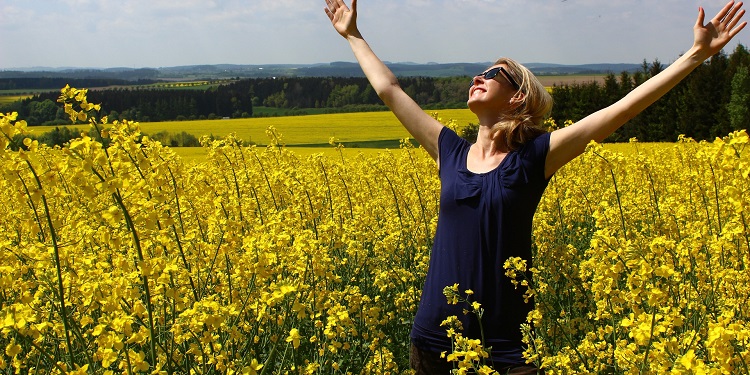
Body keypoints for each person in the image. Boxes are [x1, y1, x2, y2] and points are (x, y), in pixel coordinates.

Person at [323, 0, 746, 373]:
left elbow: (618, 111)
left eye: (495, 74)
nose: (480, 75)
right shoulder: (448, 151)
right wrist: (353, 35)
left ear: (518, 98)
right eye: (480, 71)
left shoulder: (534, 158)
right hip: (434, 341)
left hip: (507, 350)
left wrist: (694, 56)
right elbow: (389, 89)